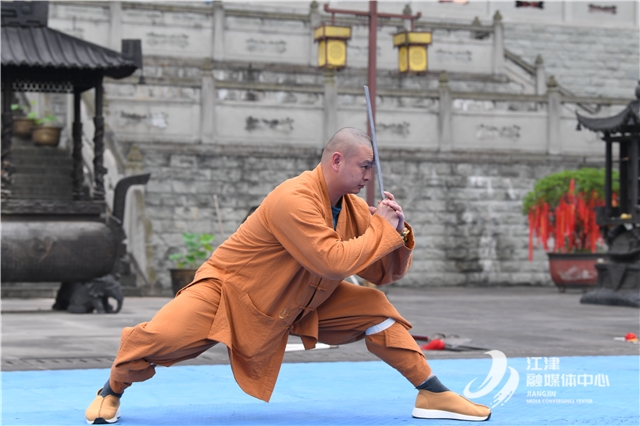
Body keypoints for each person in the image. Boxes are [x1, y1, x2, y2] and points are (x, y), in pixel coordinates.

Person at [85, 127, 491, 424]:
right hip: (229, 292)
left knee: (375, 308)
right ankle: (112, 389)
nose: (369, 175)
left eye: (371, 168)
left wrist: (398, 232)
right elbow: (331, 262)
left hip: (299, 300)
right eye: (363, 166)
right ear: (337, 160)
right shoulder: (293, 198)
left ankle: (432, 393)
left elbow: (382, 273)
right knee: (162, 338)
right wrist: (380, 231)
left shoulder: (351, 208)